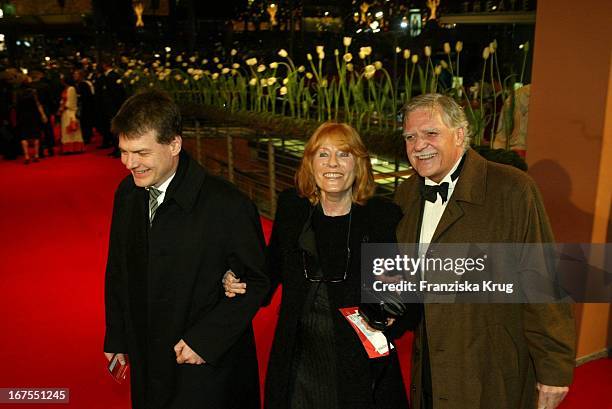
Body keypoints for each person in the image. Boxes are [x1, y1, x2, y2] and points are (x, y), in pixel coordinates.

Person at [395, 93, 575, 409]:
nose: (418, 145)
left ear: (460, 135)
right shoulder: (407, 192)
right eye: (410, 136)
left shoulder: (513, 188)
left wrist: (554, 366)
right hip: (429, 364)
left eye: (431, 133)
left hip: (490, 365)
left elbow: (543, 280)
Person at [225, 122, 414, 409]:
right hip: (299, 356)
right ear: (310, 163)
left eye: (344, 154)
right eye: (323, 154)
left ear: (359, 164)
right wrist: (236, 276)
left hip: (355, 360)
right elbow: (270, 268)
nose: (333, 164)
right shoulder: (293, 208)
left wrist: (392, 308)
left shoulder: (380, 217)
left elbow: (398, 290)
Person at [103, 89, 269, 409]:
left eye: (141, 153)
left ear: (174, 145)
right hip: (148, 356)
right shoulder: (127, 194)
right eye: (124, 152)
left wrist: (205, 342)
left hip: (206, 366)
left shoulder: (227, 204)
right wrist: (117, 335)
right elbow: (118, 270)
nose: (128, 163)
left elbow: (258, 281)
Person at [15, 75, 44, 164]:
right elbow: (38, 104)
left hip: (22, 116)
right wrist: (42, 114)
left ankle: (26, 156)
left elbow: (16, 105)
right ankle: (36, 155)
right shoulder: (33, 92)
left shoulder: (17, 93)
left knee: (24, 136)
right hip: (33, 115)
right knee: (35, 134)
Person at [58, 72, 84, 154]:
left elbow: (71, 102)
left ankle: (74, 148)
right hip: (65, 112)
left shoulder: (71, 89)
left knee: (71, 130)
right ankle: (68, 148)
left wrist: (62, 108)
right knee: (67, 131)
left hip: (70, 112)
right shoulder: (66, 89)